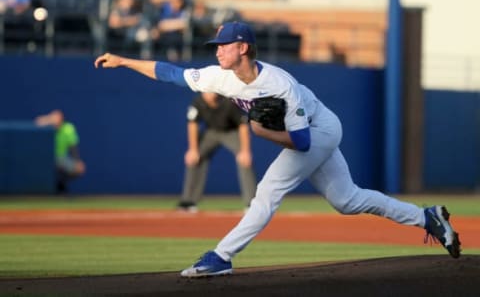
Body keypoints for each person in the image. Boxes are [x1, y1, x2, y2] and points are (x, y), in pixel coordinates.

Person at [94, 21, 461, 278]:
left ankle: (222, 256)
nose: (218, 51)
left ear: (243, 48)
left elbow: (301, 143)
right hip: (309, 131)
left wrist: (260, 132)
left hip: (319, 129)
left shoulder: (281, 85)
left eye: (224, 45)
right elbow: (171, 73)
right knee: (347, 200)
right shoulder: (219, 76)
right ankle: (426, 218)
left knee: (267, 193)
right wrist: (125, 61)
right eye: (217, 46)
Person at [177, 92, 257, 213]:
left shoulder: (229, 102)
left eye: (210, 89)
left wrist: (245, 151)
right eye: (205, 90)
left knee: (244, 160)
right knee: (194, 158)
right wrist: (193, 149)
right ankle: (188, 201)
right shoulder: (198, 102)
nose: (207, 93)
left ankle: (252, 202)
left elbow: (243, 126)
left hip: (231, 132)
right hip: (211, 132)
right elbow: (192, 124)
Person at [35, 109, 86, 193]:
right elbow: (37, 123)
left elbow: (73, 147)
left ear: (62, 119)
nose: (55, 120)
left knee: (79, 169)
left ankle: (60, 184)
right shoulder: (48, 127)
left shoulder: (68, 128)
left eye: (57, 118)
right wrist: (49, 119)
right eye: (53, 118)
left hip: (61, 158)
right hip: (45, 159)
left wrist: (77, 161)